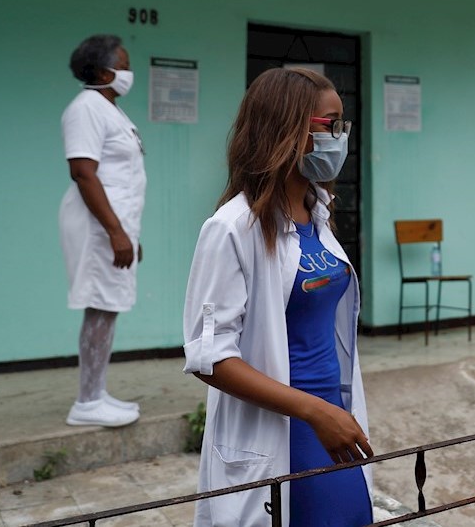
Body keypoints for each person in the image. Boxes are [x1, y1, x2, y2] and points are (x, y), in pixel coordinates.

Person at [182, 67, 373, 526]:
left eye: (342, 125)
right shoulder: (232, 228)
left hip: (334, 420)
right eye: (330, 125)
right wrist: (313, 411)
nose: (340, 138)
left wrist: (328, 413)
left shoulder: (318, 214)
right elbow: (210, 357)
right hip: (284, 431)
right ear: (287, 129)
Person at [60, 34, 145, 428]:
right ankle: (87, 401)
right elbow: (83, 173)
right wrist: (115, 231)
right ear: (102, 71)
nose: (129, 72)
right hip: (98, 226)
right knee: (100, 305)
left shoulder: (110, 110)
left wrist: (128, 232)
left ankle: (96, 391)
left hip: (113, 224)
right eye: (123, 65)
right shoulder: (86, 109)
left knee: (108, 307)